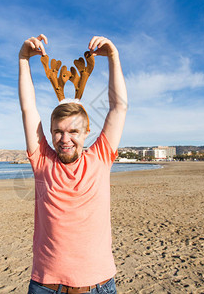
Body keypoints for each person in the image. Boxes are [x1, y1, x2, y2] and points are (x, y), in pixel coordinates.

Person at [18, 34, 127, 294]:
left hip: (97, 285)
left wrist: (114, 57)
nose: (65, 139)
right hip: (46, 285)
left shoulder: (100, 157)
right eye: (58, 131)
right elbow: (28, 108)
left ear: (87, 132)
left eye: (73, 132)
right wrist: (23, 59)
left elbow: (118, 108)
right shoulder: (42, 160)